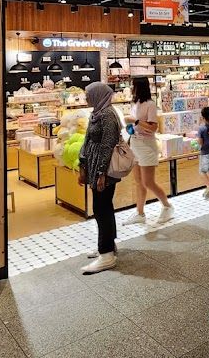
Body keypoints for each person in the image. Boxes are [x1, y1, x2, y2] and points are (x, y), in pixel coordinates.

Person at [78, 82, 122, 274]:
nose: (86, 97)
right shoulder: (97, 113)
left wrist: (101, 173)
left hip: (104, 169)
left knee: (101, 208)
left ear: (97, 95)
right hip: (95, 167)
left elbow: (107, 145)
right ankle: (108, 246)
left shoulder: (108, 115)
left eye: (88, 94)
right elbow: (87, 139)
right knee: (103, 207)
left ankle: (106, 255)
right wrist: (82, 165)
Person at [123, 77, 173, 225]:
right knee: (139, 181)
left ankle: (167, 206)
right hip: (135, 143)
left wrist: (135, 121)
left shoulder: (150, 105)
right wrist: (130, 127)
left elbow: (153, 127)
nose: (131, 88)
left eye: (133, 86)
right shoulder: (135, 103)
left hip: (147, 146)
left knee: (148, 182)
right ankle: (140, 213)